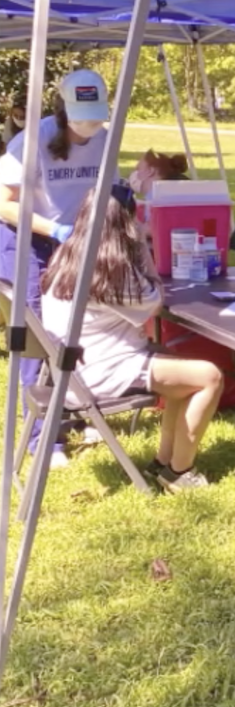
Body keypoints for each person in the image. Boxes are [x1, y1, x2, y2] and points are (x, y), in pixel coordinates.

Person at [41, 185, 225, 493]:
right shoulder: (111, 269)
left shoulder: (68, 254)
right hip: (101, 373)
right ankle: (181, 472)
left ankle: (163, 462)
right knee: (210, 377)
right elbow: (155, 299)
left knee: (181, 371)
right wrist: (142, 245)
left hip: (73, 372)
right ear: (126, 223)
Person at [0, 69, 117, 466]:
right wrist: (54, 229)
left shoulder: (105, 137)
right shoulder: (29, 141)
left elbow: (109, 190)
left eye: (96, 116)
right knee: (41, 339)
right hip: (27, 242)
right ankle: (42, 440)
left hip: (76, 242)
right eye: (82, 117)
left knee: (78, 328)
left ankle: (75, 412)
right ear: (64, 110)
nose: (90, 127)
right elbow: (4, 203)